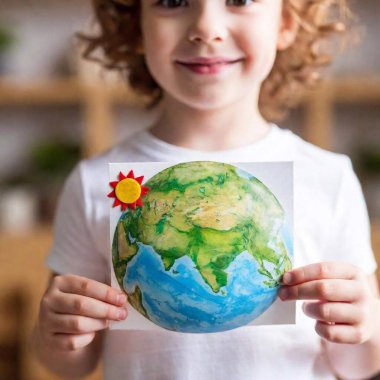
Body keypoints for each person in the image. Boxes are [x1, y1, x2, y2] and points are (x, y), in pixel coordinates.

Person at [31, 0, 380, 379]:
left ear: (286, 22)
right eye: (172, 1)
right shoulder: (92, 183)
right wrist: (57, 334)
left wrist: (368, 328)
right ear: (136, 25)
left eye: (240, 0)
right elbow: (70, 363)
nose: (206, 27)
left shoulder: (330, 179)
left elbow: (359, 366)